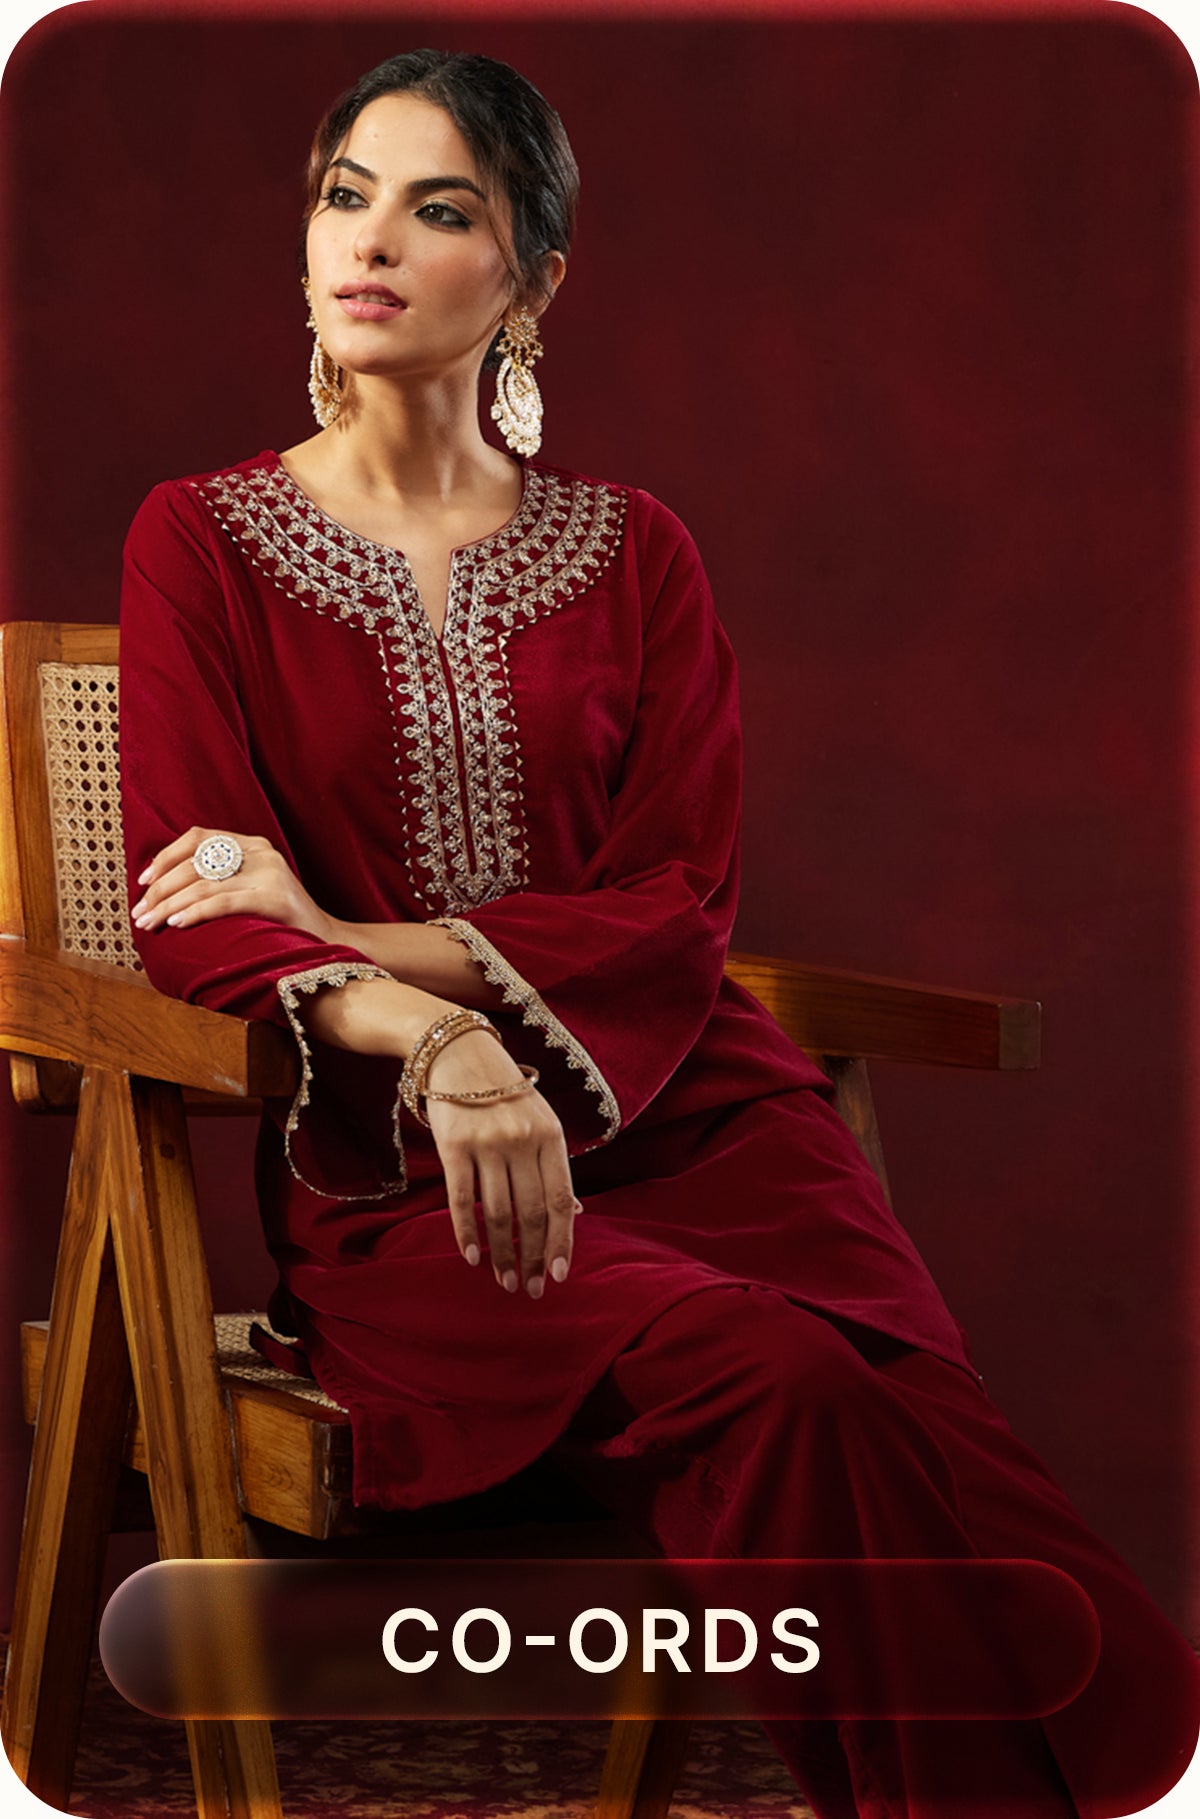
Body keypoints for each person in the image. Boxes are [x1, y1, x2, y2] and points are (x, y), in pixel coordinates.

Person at [118, 47, 1198, 1819]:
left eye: (438, 208)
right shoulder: (203, 544)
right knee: (782, 1384)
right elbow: (196, 914)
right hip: (414, 1182)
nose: (369, 242)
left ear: (532, 279)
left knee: (963, 1470)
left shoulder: (636, 556)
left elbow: (672, 904)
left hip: (707, 1124)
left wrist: (341, 923)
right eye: (344, 196)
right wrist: (439, 1040)